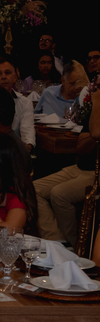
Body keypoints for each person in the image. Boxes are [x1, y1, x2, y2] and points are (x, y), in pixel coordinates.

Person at [31, 82, 99, 244]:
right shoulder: (95, 110)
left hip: (96, 173)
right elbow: (81, 146)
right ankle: (56, 241)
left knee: (59, 194)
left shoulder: (96, 101)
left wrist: (97, 100)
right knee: (33, 188)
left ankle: (72, 246)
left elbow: (96, 132)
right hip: (81, 166)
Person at [0, 57, 35, 150]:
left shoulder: (24, 102)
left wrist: (27, 146)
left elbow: (27, 130)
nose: (3, 77)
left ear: (14, 77)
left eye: (7, 73)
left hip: (16, 150)